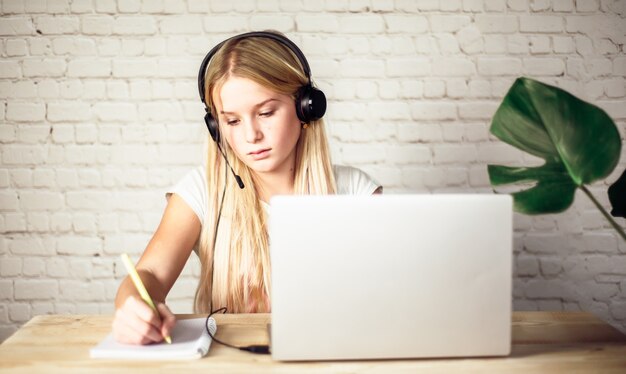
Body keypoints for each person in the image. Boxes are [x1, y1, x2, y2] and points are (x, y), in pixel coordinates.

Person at [112, 31, 382, 345]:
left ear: (307, 108)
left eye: (266, 113)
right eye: (232, 121)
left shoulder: (356, 192)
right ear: (215, 127)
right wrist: (135, 307)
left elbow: (395, 292)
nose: (251, 135)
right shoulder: (200, 192)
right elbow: (151, 276)